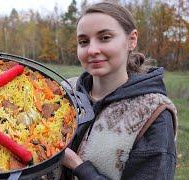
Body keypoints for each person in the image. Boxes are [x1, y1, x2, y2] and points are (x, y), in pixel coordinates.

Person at [61, 2, 178, 180]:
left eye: (105, 37)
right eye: (83, 42)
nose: (92, 50)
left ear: (132, 40)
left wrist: (78, 166)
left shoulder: (154, 113)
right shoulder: (64, 92)